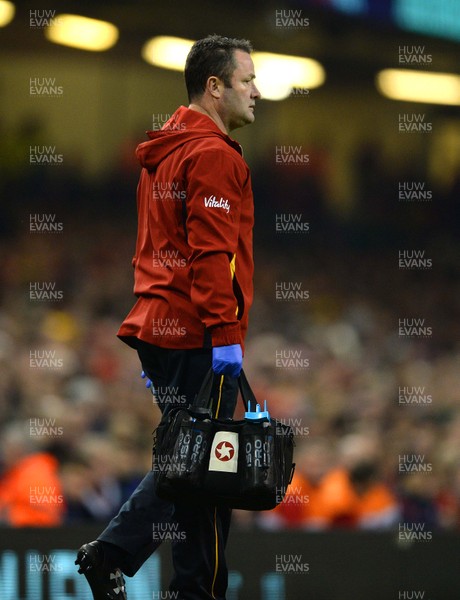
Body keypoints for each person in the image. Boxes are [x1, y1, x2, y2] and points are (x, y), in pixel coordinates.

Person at [75, 34, 260, 600]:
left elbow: (153, 244)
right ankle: (134, 563)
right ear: (215, 87)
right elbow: (209, 255)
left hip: (161, 326)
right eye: (247, 81)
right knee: (205, 463)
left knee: (198, 463)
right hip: (197, 330)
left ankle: (179, 586)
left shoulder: (167, 149)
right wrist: (225, 337)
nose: (258, 92)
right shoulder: (211, 155)